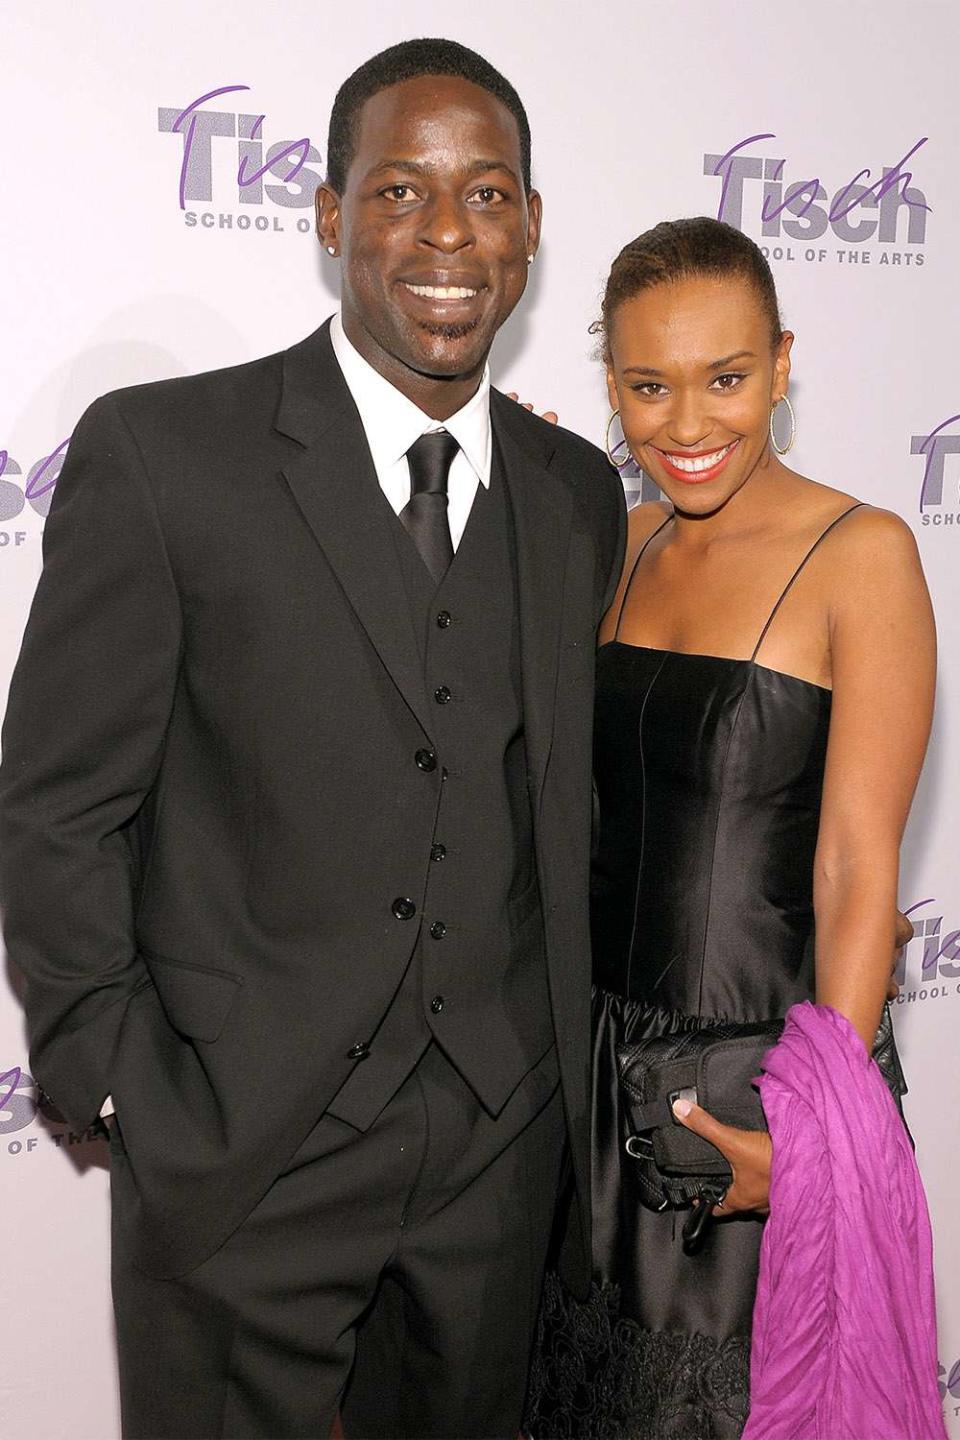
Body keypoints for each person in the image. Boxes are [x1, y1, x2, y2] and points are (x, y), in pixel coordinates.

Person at [0, 39, 625, 1440]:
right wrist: (116, 1072)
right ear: (331, 215)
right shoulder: (168, 457)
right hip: (243, 1154)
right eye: (402, 190)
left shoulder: (579, 492)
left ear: (528, 227)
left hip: (497, 1161)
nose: (450, 234)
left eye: (489, 195)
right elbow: (55, 804)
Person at [525, 217, 939, 1439]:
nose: (689, 426)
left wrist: (814, 1138)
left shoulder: (862, 553)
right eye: (649, 386)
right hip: (587, 1093)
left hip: (749, 1093)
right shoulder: (612, 539)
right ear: (611, 385)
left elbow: (861, 870)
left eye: (727, 379)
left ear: (783, 363)